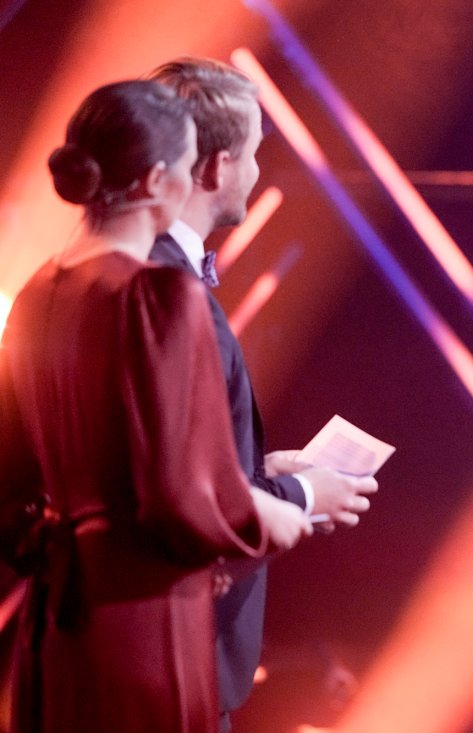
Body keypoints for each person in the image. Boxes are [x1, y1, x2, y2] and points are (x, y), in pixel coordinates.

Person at [0, 80, 312, 732]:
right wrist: (279, 512)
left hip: (57, 627)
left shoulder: (33, 296)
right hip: (143, 623)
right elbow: (186, 496)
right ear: (154, 180)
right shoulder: (158, 297)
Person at [144, 57, 378, 730]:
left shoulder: (165, 278)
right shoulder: (163, 290)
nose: (256, 170)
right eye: (252, 154)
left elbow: (184, 456)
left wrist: (261, 472)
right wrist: (304, 496)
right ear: (216, 166)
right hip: (174, 649)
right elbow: (175, 492)